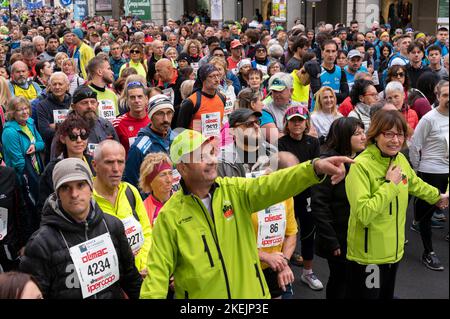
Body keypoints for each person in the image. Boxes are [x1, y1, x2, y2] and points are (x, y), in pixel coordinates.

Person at [139, 128, 353, 298]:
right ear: (183, 168)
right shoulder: (170, 216)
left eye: (212, 152)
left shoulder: (235, 191)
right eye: (201, 156)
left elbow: (274, 184)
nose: (213, 160)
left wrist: (313, 168)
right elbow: (156, 276)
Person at [345, 110, 448, 299]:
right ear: (375, 135)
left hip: (393, 252)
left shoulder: (400, 159)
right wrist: (390, 185)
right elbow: (364, 213)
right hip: (370, 259)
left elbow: (415, 183)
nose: (396, 140)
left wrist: (438, 197)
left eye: (400, 134)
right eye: (389, 134)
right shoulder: (360, 166)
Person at [19, 158, 143, 299]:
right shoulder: (41, 244)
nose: (74, 194)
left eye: (80, 185)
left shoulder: (112, 225)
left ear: (91, 189)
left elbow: (132, 278)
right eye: (66, 187)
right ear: (57, 194)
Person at [311, 117, 366, 299]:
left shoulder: (360, 159)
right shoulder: (329, 163)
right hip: (338, 237)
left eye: (363, 132)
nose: (363, 137)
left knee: (357, 279)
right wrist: (331, 240)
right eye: (357, 134)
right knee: (340, 280)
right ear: (344, 136)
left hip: (357, 234)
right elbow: (320, 206)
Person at [277, 105, 323, 290]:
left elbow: (315, 168)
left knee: (308, 232)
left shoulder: (313, 142)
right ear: (287, 124)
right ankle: (281, 270)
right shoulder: (280, 143)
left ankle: (307, 272)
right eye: (293, 120)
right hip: (286, 194)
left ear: (306, 123)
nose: (297, 124)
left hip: (306, 194)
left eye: (300, 120)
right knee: (284, 233)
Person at [92, 140, 152, 276]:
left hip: (139, 275)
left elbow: (146, 231)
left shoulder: (130, 191)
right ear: (95, 165)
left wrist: (141, 265)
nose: (116, 169)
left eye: (120, 162)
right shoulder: (86, 200)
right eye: (109, 162)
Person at [409, 80, 449, 271]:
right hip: (431, 172)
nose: (448, 99)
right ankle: (428, 252)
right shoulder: (429, 119)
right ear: (438, 96)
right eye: (445, 95)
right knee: (425, 215)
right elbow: (415, 147)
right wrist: (419, 171)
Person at [250, 152, 299, 299]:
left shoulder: (287, 194)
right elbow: (231, 242)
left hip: (276, 266)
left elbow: (291, 233)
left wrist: (283, 263)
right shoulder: (246, 194)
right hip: (248, 268)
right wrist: (265, 256)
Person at [37, 113, 94, 214]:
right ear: (63, 139)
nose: (79, 140)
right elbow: (44, 204)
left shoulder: (92, 162)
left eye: (84, 135)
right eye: (73, 137)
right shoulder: (53, 168)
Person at [124, 94, 176, 189]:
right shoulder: (139, 147)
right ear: (151, 116)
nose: (165, 119)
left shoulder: (177, 139)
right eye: (160, 113)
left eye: (169, 113)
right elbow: (131, 184)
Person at [176, 64, 226, 134]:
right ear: (203, 79)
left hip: (217, 143)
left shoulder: (222, 97)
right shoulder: (191, 102)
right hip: (196, 143)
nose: (217, 80)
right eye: (211, 76)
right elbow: (180, 130)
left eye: (218, 75)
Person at [35, 72, 71, 162]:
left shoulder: (73, 103)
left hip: (72, 149)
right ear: (50, 87)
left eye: (60, 84)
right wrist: (69, 128)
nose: (57, 87)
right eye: (54, 84)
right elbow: (44, 131)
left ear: (67, 86)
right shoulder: (42, 105)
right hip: (52, 152)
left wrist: (56, 126)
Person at [112, 81, 151, 154]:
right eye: (132, 97)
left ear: (146, 99)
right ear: (127, 100)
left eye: (140, 96)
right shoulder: (117, 124)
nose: (136, 101)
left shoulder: (154, 120)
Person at [139, 152, 174, 227]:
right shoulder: (144, 209)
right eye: (163, 175)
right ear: (150, 181)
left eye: (170, 173)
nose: (169, 180)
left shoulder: (183, 199)